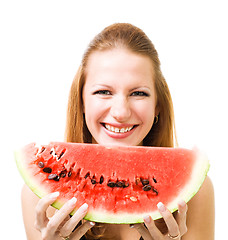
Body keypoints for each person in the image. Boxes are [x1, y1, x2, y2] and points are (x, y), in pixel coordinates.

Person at [21, 23, 215, 240]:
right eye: (103, 91)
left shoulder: (195, 194)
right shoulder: (38, 198)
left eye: (138, 93)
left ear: (157, 105)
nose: (121, 112)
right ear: (82, 101)